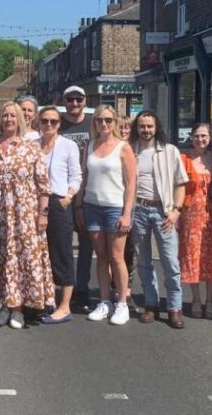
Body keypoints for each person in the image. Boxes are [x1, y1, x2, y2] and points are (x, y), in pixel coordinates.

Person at [0, 103, 53, 329]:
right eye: (4, 115)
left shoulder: (31, 148)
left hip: (24, 215)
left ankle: (18, 308)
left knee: (21, 259)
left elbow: (43, 186)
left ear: (20, 120)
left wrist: (43, 214)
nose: (8, 119)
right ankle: (3, 304)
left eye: (12, 115)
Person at [76, 105, 137, 325]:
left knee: (116, 257)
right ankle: (104, 301)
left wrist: (127, 213)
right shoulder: (90, 145)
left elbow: (131, 185)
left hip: (114, 208)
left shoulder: (123, 148)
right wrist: (79, 206)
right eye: (100, 120)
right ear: (95, 123)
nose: (104, 124)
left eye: (108, 120)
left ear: (115, 122)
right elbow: (83, 177)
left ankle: (121, 303)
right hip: (92, 207)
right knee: (100, 256)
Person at [130, 110, 189, 328]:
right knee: (144, 261)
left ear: (156, 128)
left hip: (163, 212)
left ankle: (174, 307)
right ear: (137, 128)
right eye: (142, 126)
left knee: (170, 261)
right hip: (139, 210)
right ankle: (151, 304)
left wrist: (176, 211)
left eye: (149, 126)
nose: (145, 130)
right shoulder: (130, 151)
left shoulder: (169, 151)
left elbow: (180, 183)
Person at [35, 106, 82, 324]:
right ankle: (46, 299)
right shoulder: (32, 146)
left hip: (59, 203)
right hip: (35, 204)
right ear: (39, 122)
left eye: (53, 121)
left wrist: (68, 197)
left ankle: (65, 306)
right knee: (40, 254)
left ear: (59, 124)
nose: (49, 125)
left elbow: (76, 175)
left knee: (62, 252)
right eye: (45, 121)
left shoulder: (68, 146)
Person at [178, 123, 212, 319]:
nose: (200, 139)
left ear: (210, 137)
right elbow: (177, 187)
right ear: (192, 137)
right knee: (192, 257)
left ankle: (210, 299)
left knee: (211, 258)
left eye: (204, 136)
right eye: (197, 136)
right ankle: (196, 299)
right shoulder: (183, 158)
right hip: (190, 215)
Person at [58, 85, 94, 314]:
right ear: (64, 101)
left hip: (89, 192)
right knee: (61, 246)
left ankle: (82, 289)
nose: (74, 103)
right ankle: (64, 289)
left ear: (84, 101)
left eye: (78, 99)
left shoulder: (93, 123)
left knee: (86, 245)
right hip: (63, 195)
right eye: (70, 99)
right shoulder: (56, 123)